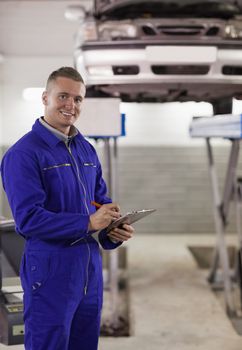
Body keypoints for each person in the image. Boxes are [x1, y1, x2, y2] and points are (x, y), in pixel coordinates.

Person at [0, 66, 134, 350]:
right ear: (45, 98)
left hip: (88, 269)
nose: (71, 105)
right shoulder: (24, 154)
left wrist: (112, 229)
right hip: (50, 270)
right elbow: (28, 220)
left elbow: (100, 201)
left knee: (84, 344)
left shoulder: (85, 148)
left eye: (78, 99)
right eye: (63, 96)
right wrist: (88, 223)